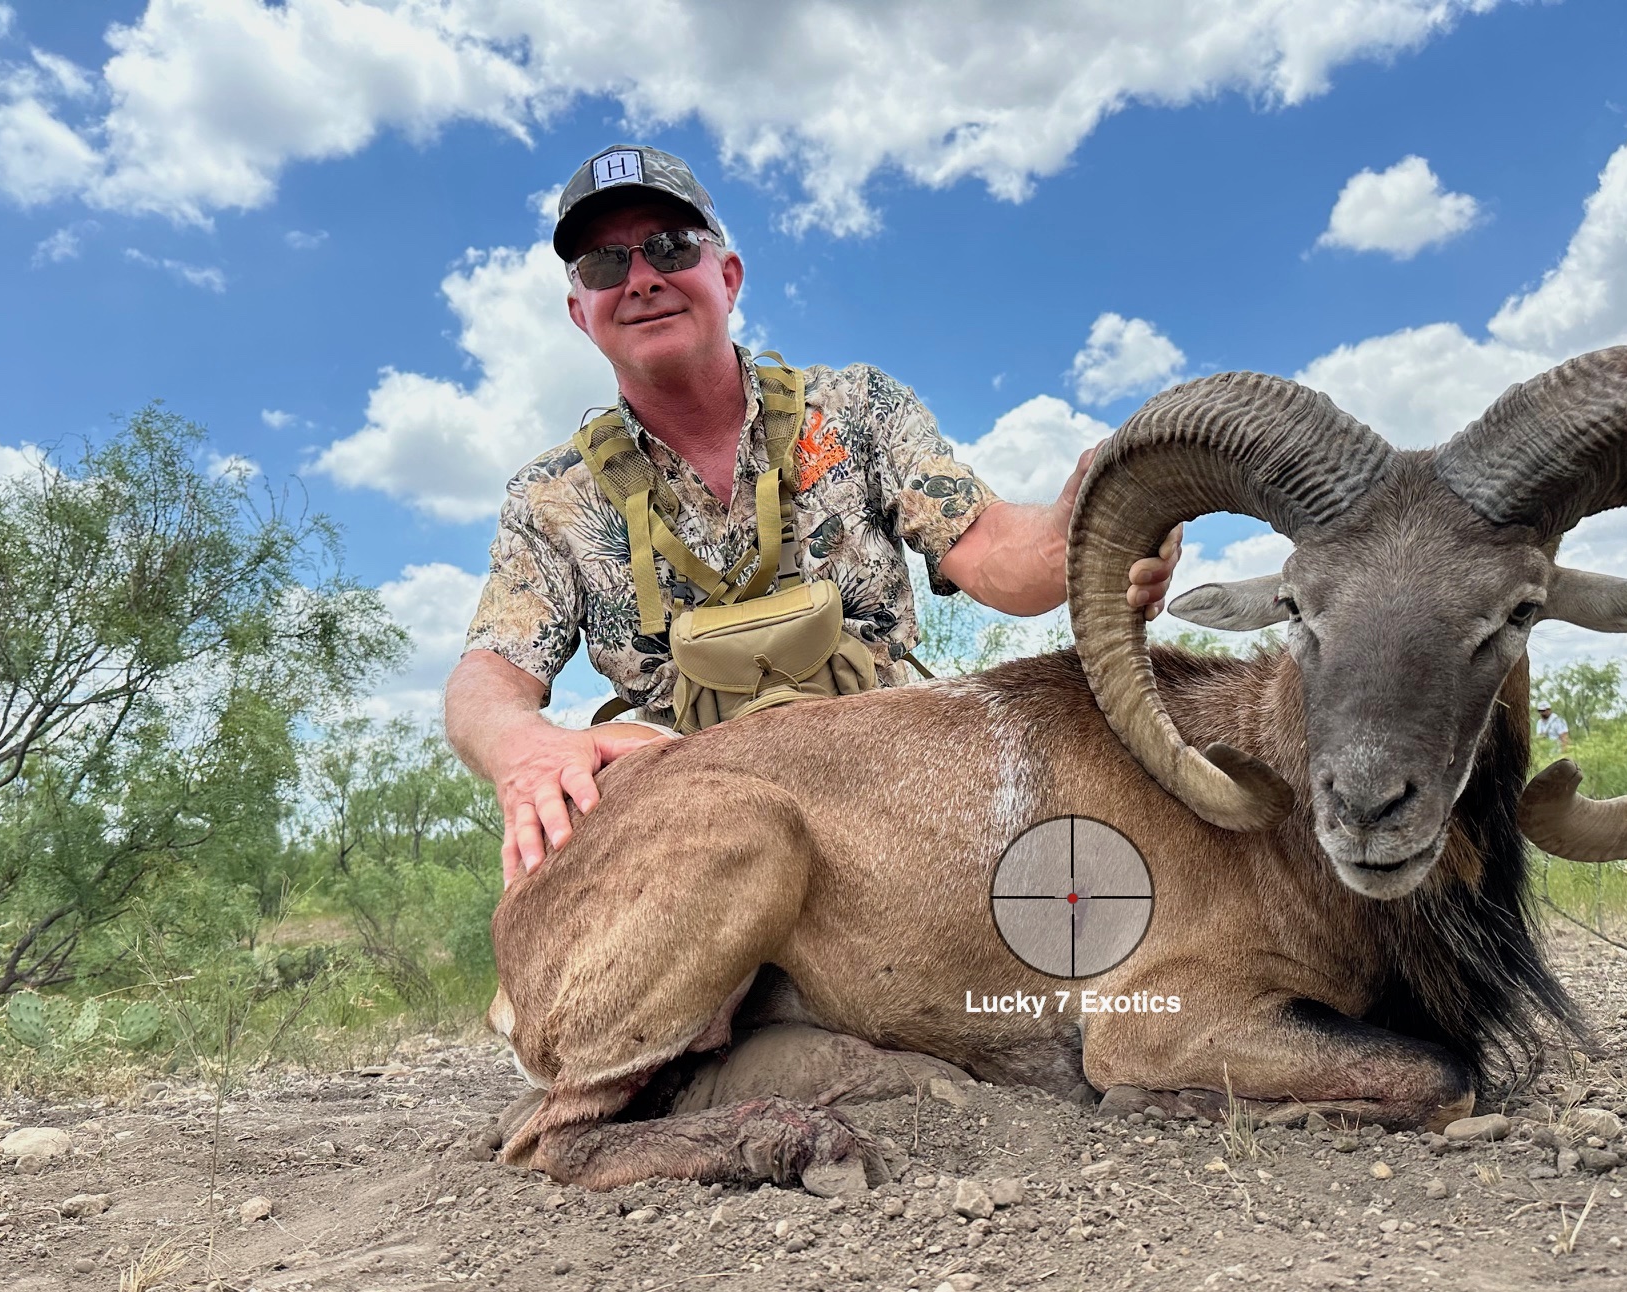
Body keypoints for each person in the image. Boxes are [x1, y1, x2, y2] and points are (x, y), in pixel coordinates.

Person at [444, 144, 1185, 884]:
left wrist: (1077, 529)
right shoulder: (551, 494)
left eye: (670, 247)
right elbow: (489, 674)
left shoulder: (860, 408)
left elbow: (994, 552)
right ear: (581, 312)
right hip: (689, 828)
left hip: (894, 787)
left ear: (727, 278)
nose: (640, 279)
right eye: (605, 264)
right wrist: (522, 744)